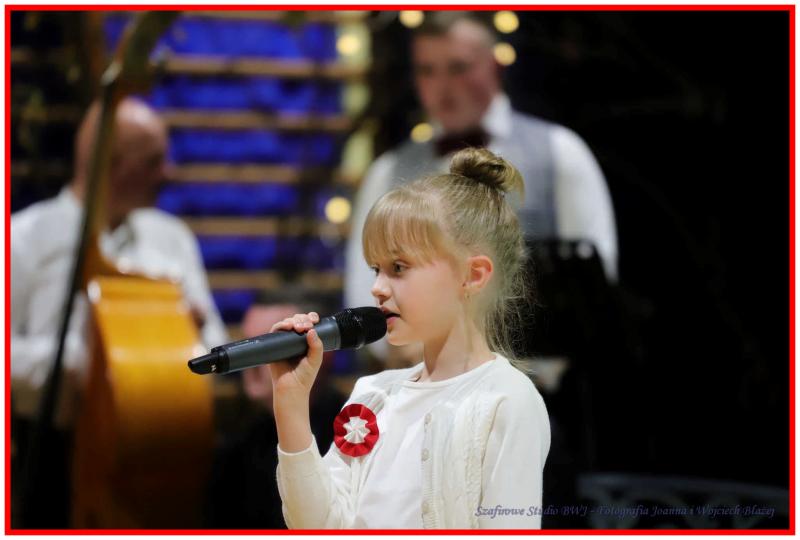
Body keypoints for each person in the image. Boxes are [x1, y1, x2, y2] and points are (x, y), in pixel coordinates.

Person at [270, 148, 550, 529]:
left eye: (398, 268)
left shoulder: (507, 399)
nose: (377, 288)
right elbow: (316, 526)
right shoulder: (373, 395)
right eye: (376, 269)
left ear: (473, 275)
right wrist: (291, 403)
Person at [344, 11, 618, 367]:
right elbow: (364, 288)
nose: (442, 86)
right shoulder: (388, 171)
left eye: (458, 67)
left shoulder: (559, 152)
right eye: (427, 70)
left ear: (495, 65)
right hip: (423, 377)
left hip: (545, 382)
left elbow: (595, 282)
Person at [10, 97, 227, 525]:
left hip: (156, 449)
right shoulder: (23, 237)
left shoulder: (172, 237)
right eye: (152, 162)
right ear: (109, 164)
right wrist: (86, 362)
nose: (167, 173)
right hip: (50, 454)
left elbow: (214, 341)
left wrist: (182, 336)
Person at [204, 292, 347, 529]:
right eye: (246, 343)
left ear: (321, 350)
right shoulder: (237, 446)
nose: (250, 363)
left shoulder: (352, 428)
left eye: (268, 347)